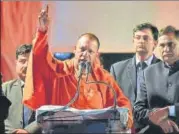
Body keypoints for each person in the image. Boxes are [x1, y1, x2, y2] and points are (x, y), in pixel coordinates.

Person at [23, 6, 133, 131]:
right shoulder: (60, 70)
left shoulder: (104, 79)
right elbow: (41, 60)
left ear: (96, 55)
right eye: (82, 49)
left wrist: (124, 122)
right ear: (74, 49)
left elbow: (123, 104)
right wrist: (42, 32)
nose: (85, 55)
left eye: (90, 51)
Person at [110, 22, 160, 132]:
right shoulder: (117, 69)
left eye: (146, 38)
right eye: (138, 38)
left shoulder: (163, 69)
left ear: (155, 43)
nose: (141, 41)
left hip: (155, 129)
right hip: (124, 128)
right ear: (133, 41)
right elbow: (111, 102)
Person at [134, 25, 179, 134]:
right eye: (162, 45)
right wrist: (158, 120)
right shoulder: (148, 72)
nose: (166, 49)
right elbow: (138, 110)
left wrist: (169, 111)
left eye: (171, 44)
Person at [2, 44, 41, 133]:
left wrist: (28, 131)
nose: (27, 65)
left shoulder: (49, 89)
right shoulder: (5, 88)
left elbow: (50, 115)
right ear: (16, 63)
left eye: (31, 62)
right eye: (22, 61)